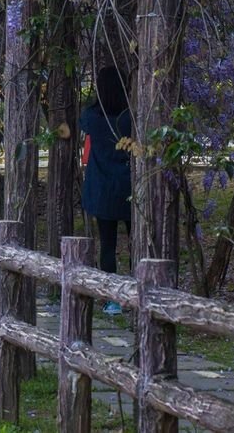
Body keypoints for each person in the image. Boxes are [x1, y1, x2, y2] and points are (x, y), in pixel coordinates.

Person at [80, 66, 132, 315]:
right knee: (138, 243)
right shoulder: (130, 117)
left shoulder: (92, 116)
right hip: (129, 187)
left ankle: (112, 299)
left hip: (102, 189)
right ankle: (136, 293)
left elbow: (83, 124)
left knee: (108, 245)